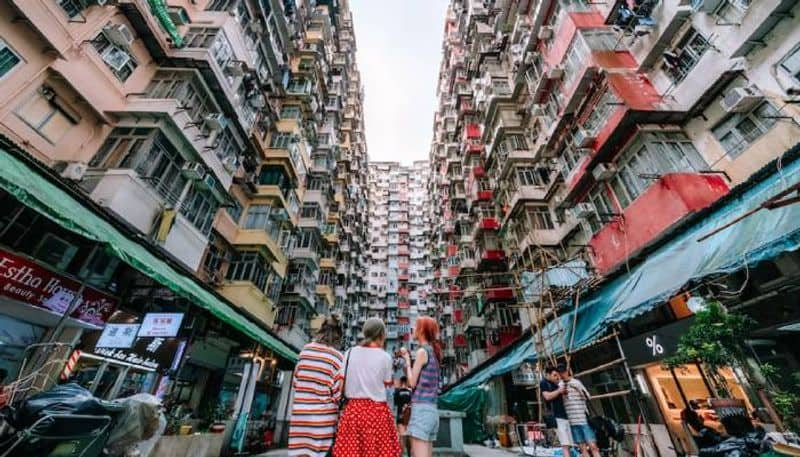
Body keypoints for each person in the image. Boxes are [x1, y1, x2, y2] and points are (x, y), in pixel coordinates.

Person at [333, 318, 401, 457]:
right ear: (382, 335)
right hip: (378, 413)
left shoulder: (350, 353)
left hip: (353, 412)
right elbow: (388, 385)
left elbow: (341, 386)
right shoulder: (385, 357)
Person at [288, 316, 344, 457]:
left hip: (300, 416)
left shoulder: (305, 351)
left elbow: (295, 383)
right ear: (338, 337)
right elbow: (338, 394)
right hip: (322, 420)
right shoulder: (337, 357)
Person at [401, 316, 442, 457]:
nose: (412, 329)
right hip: (432, 411)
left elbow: (411, 383)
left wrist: (407, 362)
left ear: (422, 330)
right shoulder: (434, 353)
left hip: (421, 411)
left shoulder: (421, 352)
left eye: (415, 326)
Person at [558, 364, 600, 457]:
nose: (562, 374)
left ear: (567, 371)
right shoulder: (559, 385)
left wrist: (576, 388)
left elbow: (587, 396)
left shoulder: (576, 382)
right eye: (560, 372)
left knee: (593, 446)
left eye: (563, 372)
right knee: (582, 448)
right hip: (572, 421)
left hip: (583, 418)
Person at [540, 365, 572, 457]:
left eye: (557, 375)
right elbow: (547, 396)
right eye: (554, 375)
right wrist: (559, 391)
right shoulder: (544, 383)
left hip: (566, 415)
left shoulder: (557, 384)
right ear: (548, 375)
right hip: (557, 417)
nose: (557, 377)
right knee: (565, 444)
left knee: (569, 443)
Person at [394, 376, 413, 457]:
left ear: (401, 382)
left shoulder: (397, 393)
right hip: (410, 417)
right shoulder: (411, 392)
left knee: (402, 437)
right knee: (410, 438)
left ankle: (400, 455)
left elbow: (395, 404)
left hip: (400, 416)